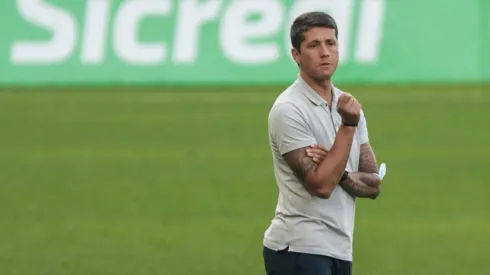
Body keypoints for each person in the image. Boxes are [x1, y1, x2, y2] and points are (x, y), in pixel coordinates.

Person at [263, 11, 383, 275]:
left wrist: (338, 169)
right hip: (298, 248)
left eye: (331, 43)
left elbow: (374, 185)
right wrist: (348, 126)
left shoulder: (349, 105)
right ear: (296, 55)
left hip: (339, 247)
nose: (325, 52)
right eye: (314, 45)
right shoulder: (289, 110)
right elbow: (320, 184)